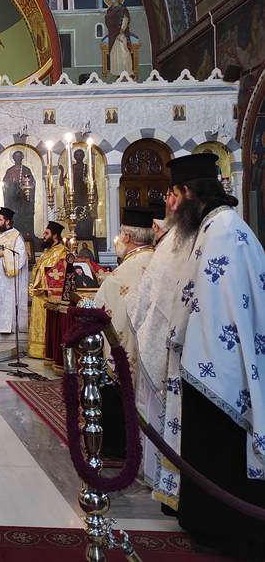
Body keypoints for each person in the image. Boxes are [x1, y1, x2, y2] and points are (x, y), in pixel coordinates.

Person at [157, 153, 265, 557]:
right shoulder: (213, 227)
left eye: (174, 194)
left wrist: (190, 348)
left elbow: (219, 307)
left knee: (220, 448)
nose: (171, 206)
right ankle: (208, 522)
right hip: (209, 361)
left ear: (188, 192)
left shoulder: (222, 232)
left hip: (221, 369)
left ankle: (223, 528)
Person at [125, 189, 194, 499]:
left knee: (158, 409)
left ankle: (157, 474)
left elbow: (146, 299)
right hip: (171, 340)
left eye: (173, 194)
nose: (169, 201)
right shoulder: (176, 242)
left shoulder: (177, 243)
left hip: (169, 342)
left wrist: (131, 305)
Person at [93, 207, 155, 459]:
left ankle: (116, 447)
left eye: (119, 234)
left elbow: (99, 309)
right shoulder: (160, 260)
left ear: (128, 237)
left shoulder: (121, 274)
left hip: (127, 355)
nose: (117, 239)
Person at [27, 221, 68, 359]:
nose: (43, 236)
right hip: (39, 293)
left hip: (47, 295)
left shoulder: (62, 252)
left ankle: (46, 351)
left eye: (46, 233)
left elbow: (59, 274)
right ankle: (36, 351)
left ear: (55, 236)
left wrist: (41, 285)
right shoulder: (48, 252)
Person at [2, 152, 36, 242]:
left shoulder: (26, 170)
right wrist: (12, 184)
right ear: (13, 158)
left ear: (22, 157)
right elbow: (5, 185)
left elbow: (32, 183)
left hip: (24, 201)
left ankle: (26, 234)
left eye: (19, 156)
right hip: (13, 201)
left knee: (24, 218)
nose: (18, 158)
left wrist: (25, 186)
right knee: (15, 217)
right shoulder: (10, 171)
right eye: (16, 157)